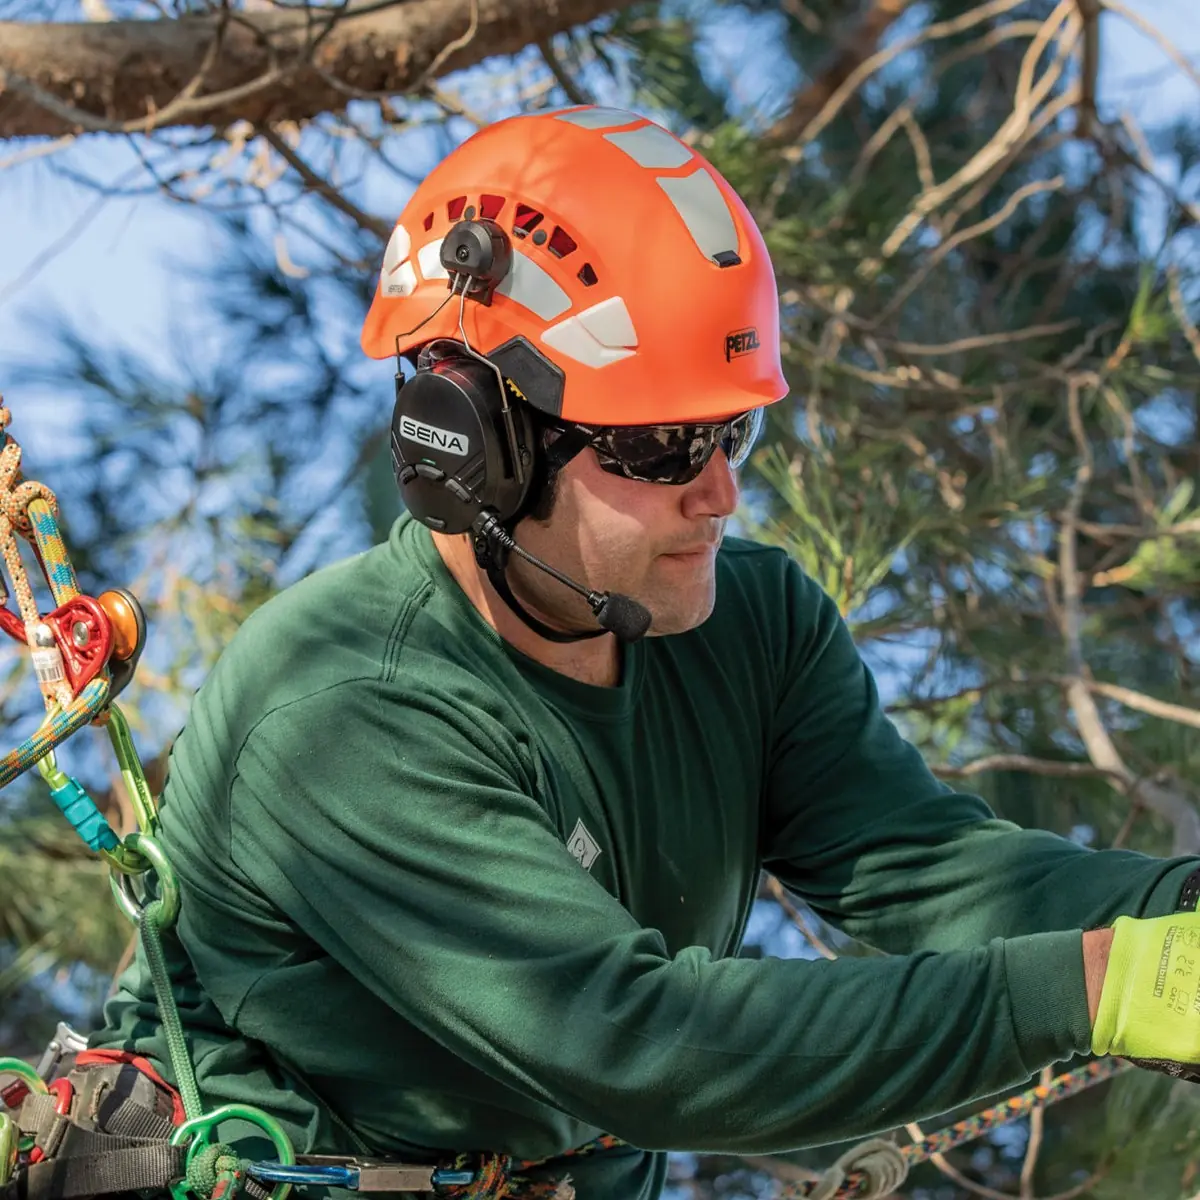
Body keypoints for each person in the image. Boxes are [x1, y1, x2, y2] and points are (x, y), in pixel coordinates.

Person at [84, 105, 1200, 1200]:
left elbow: (930, 870)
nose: (721, 492)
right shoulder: (342, 709)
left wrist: (1179, 914)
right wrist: (1088, 985)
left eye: (733, 431)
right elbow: (639, 1040)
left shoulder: (752, 627)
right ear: (475, 449)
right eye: (663, 445)